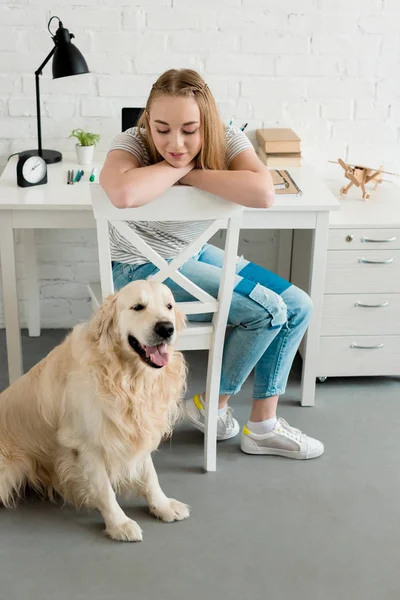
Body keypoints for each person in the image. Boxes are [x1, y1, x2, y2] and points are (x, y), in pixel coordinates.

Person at [100, 68, 323, 460]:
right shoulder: (132, 143)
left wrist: (192, 173)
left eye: (189, 129)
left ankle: (262, 425)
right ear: (147, 123)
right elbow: (122, 191)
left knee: (299, 304)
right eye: (162, 129)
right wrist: (182, 167)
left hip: (192, 254)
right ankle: (212, 408)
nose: (176, 142)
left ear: (209, 122)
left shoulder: (228, 138)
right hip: (140, 272)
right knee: (268, 312)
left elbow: (262, 192)